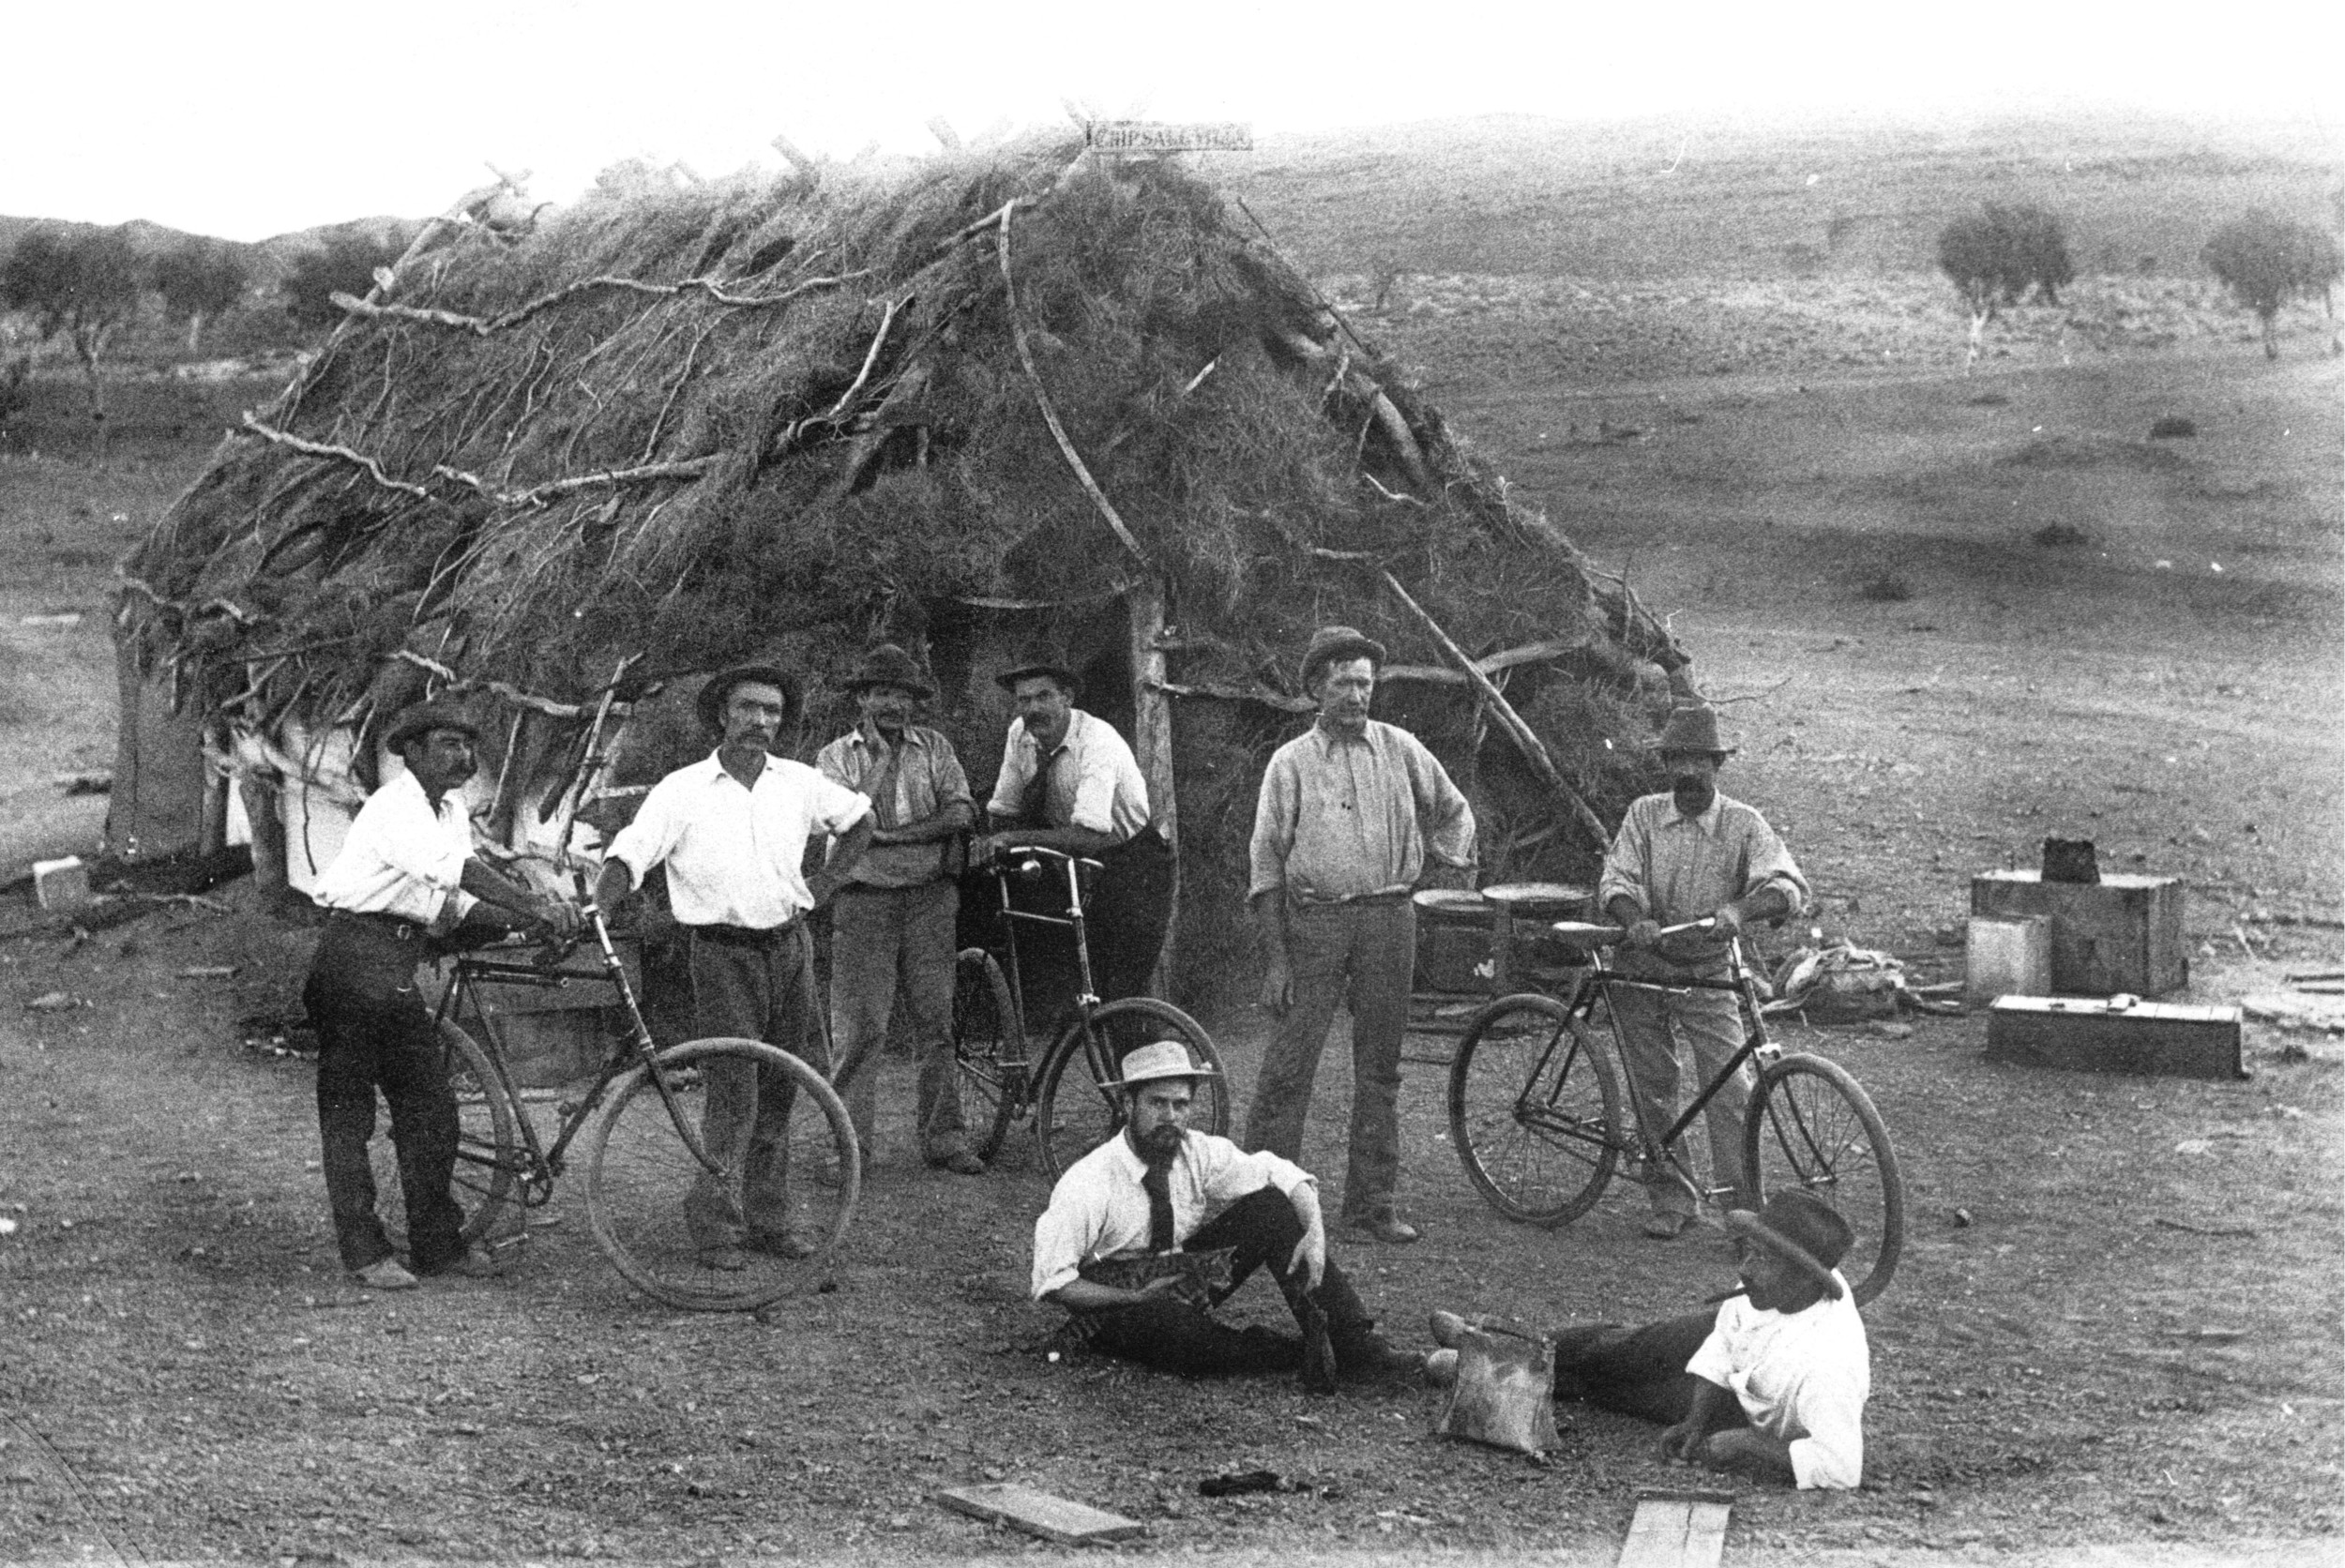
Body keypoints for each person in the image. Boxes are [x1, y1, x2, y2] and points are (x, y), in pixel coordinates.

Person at [593, 665, 874, 1269]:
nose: (761, 722)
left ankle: (768, 1220)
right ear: (722, 714)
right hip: (722, 955)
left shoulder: (800, 782)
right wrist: (600, 901)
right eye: (748, 708)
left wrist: (825, 885)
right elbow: (631, 854)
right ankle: (715, 1227)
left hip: (789, 948)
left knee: (781, 1089)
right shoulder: (681, 789)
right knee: (735, 1092)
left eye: (771, 712)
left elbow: (860, 821)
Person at [305, 697, 580, 1289]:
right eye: (448, 745)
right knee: (349, 1116)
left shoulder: (449, 809)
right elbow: (454, 871)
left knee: (430, 1111)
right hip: (354, 959)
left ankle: (436, 1243)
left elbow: (455, 898)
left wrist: (528, 924)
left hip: (398, 961)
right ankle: (364, 1250)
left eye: (468, 745)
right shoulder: (394, 808)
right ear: (411, 753)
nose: (464, 757)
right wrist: (532, 902)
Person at [1244, 626, 1476, 1246]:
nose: (1356, 695)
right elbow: (1266, 863)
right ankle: (1263, 1206)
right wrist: (1276, 961)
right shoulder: (1289, 764)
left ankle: (1373, 1207)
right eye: (1343, 682)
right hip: (1314, 925)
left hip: (1389, 922)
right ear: (1317, 687)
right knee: (1291, 1065)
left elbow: (1455, 810)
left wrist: (1443, 859)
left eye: (1365, 684)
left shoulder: (1402, 750)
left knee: (1380, 1068)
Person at [1029, 1039, 1419, 1390]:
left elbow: (1277, 1172)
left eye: (1180, 1105)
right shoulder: (1090, 1180)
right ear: (1128, 1105)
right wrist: (1132, 1295)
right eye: (1157, 1103)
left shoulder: (1194, 1151)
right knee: (1191, 1344)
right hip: (1118, 1304)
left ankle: (1356, 1345)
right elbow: (1054, 1284)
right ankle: (1302, 1351)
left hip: (1178, 1275)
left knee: (1274, 1209)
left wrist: (1314, 1233)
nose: (1170, 1116)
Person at [1425, 1190, 1871, 1489]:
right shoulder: (1764, 1287)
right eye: (1748, 1253)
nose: (1745, 1269)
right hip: (1742, 1372)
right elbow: (1720, 1344)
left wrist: (1751, 1446)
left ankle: (1485, 1369)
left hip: (1754, 1412)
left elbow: (1842, 1466)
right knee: (1626, 1350)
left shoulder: (1826, 1367)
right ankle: (1489, 1343)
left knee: (1617, 1394)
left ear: (1806, 1279)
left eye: (1763, 1259)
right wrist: (1697, 1420)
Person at [1597, 704, 1809, 1239]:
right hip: (1643, 967)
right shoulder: (1644, 815)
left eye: (1700, 764)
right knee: (1652, 1086)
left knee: (1731, 1090)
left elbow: (1787, 887)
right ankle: (1671, 1198)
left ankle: (1742, 1213)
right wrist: (1635, 919)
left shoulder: (1744, 824)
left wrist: (1740, 910)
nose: (1689, 775)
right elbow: (1615, 882)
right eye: (1678, 763)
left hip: (1709, 971)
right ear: (1667, 766)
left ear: (1717, 766)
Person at [815, 644, 982, 1175]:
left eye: (903, 694)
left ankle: (945, 1138)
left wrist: (886, 836)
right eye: (883, 692)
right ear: (862, 698)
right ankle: (848, 1149)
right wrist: (882, 764)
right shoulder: (835, 757)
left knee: (937, 1022)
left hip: (931, 899)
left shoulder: (936, 747)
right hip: (863, 902)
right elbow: (846, 823)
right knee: (861, 1029)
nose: (894, 704)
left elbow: (958, 812)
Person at [978, 650, 1172, 1016]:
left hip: (1131, 861)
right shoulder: (1019, 733)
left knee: (1123, 990)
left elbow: (1090, 835)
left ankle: (1145, 1064)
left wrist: (1014, 840)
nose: (1033, 708)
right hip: (1067, 862)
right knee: (1074, 982)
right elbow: (1003, 810)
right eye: (1024, 699)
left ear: (1067, 698)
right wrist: (996, 845)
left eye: (1044, 696)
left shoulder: (1097, 739)